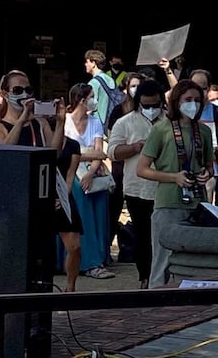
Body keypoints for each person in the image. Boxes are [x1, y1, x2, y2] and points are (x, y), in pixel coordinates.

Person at [0, 71, 82, 291]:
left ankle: (70, 288)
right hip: (21, 191)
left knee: (74, 244)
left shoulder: (40, 123)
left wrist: (59, 123)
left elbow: (54, 152)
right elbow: (5, 152)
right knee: (30, 249)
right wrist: (21, 120)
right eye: (17, 91)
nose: (24, 95)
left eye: (28, 90)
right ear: (5, 93)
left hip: (49, 185)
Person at [136, 79, 214, 288]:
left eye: (197, 100)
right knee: (162, 262)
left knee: (194, 263)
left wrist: (207, 173)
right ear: (177, 101)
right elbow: (141, 169)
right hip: (168, 203)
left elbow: (209, 165)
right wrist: (174, 177)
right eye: (188, 99)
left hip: (198, 202)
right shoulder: (161, 129)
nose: (193, 104)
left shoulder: (204, 131)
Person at [107, 79, 165, 289]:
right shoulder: (125, 122)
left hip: (164, 188)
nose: (151, 110)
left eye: (155, 105)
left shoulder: (169, 121)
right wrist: (135, 147)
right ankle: (145, 276)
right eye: (146, 105)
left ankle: (162, 276)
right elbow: (112, 151)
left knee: (162, 235)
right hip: (136, 188)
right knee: (142, 235)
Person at [64, 83, 115, 280]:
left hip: (91, 171)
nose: (95, 101)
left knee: (99, 200)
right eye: (92, 97)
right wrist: (85, 154)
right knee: (80, 202)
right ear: (81, 100)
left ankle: (100, 257)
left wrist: (90, 171)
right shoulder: (66, 121)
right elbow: (66, 153)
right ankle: (88, 261)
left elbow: (100, 152)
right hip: (69, 172)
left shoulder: (95, 121)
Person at [106, 73, 142, 248]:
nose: (136, 89)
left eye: (139, 85)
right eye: (133, 85)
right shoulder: (118, 111)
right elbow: (112, 142)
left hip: (142, 170)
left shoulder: (152, 112)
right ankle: (106, 248)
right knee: (114, 210)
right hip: (120, 169)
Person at [190, 69, 218, 204]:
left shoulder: (217, 112)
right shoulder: (181, 109)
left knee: (206, 208)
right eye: (194, 87)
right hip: (183, 169)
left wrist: (210, 148)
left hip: (208, 169)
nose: (199, 92)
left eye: (203, 88)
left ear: (209, 88)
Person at [84, 49, 118, 131]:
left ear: (93, 63)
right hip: (110, 121)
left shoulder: (93, 82)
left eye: (87, 62)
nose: (85, 64)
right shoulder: (109, 79)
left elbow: (92, 105)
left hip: (98, 123)